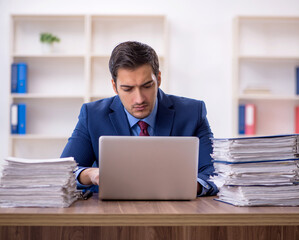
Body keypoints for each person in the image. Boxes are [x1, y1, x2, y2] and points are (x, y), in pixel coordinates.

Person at [61, 41, 218, 196]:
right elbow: (63, 172)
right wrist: (91, 175)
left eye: (147, 86)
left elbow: (214, 171)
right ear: (114, 87)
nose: (139, 99)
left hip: (176, 211)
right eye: (128, 89)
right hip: (112, 214)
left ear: (159, 79)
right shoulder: (92, 115)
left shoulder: (192, 112)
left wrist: (186, 186)